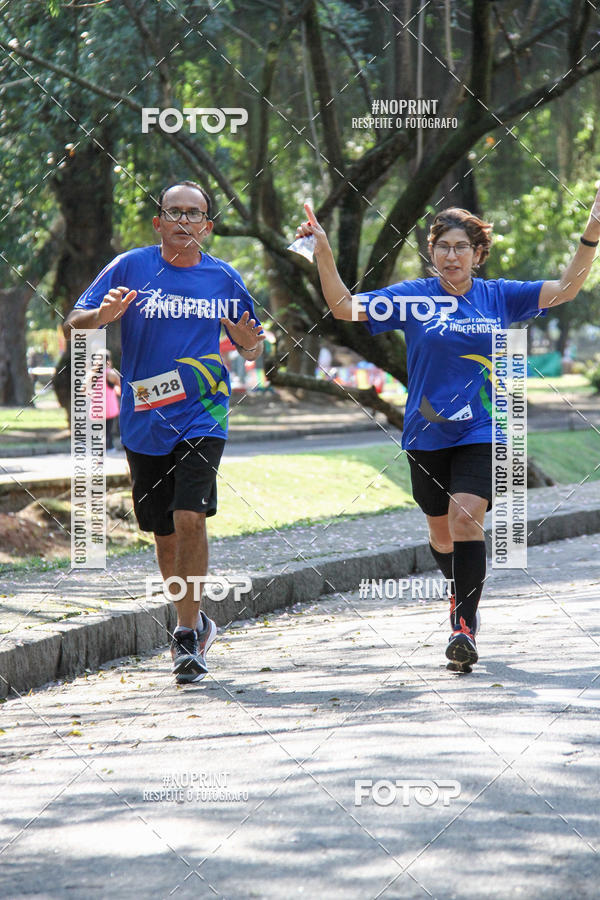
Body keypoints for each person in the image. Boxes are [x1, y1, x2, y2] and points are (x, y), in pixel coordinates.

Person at [296, 188, 600, 671]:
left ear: (478, 255)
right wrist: (325, 254)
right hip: (425, 432)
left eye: (461, 247)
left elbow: (566, 288)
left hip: (484, 428)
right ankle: (458, 593)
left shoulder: (500, 296)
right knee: (440, 531)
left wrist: (593, 232)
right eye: (442, 246)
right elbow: (344, 308)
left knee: (465, 519)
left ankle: (464, 626)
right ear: (431, 251)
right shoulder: (412, 297)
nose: (451, 255)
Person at [63, 180, 264, 684]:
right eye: (173, 212)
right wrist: (102, 317)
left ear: (207, 226)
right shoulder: (130, 266)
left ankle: (188, 632)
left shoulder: (224, 277)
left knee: (190, 514)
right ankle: (189, 621)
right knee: (163, 530)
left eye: (193, 214)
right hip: (145, 415)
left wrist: (245, 341)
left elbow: (252, 347)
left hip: (204, 411)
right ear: (158, 223)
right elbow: (74, 321)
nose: (183, 221)